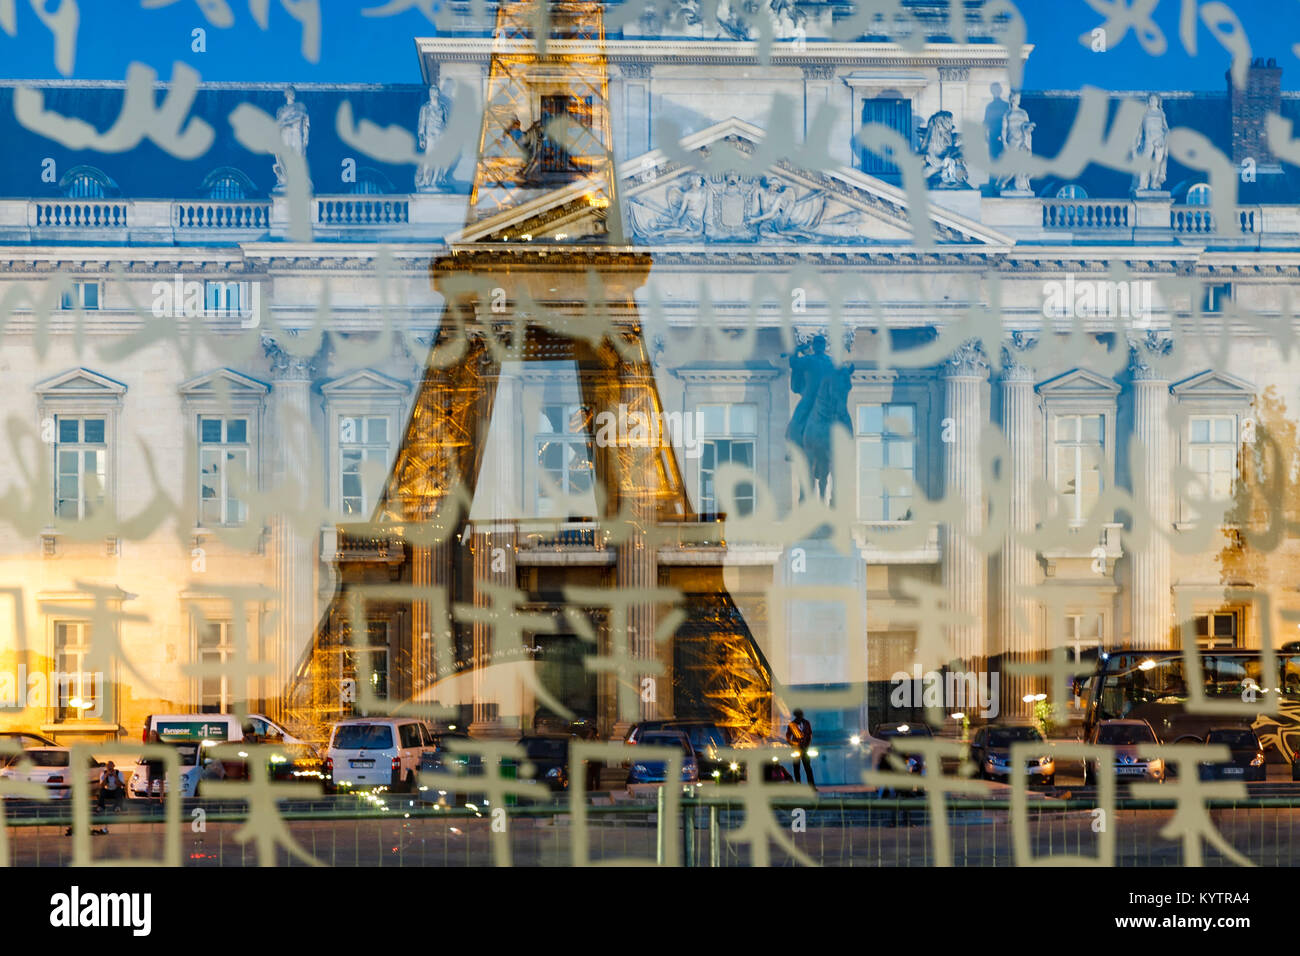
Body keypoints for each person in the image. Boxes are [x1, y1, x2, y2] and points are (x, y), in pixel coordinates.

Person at [784, 709, 815, 788]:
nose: (800, 717)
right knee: (796, 768)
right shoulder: (792, 724)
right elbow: (787, 737)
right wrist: (792, 744)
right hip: (796, 749)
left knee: (808, 768)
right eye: (798, 715)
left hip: (804, 748)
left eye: (800, 715)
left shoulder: (806, 723)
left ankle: (811, 786)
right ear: (796, 716)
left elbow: (810, 735)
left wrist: (807, 745)